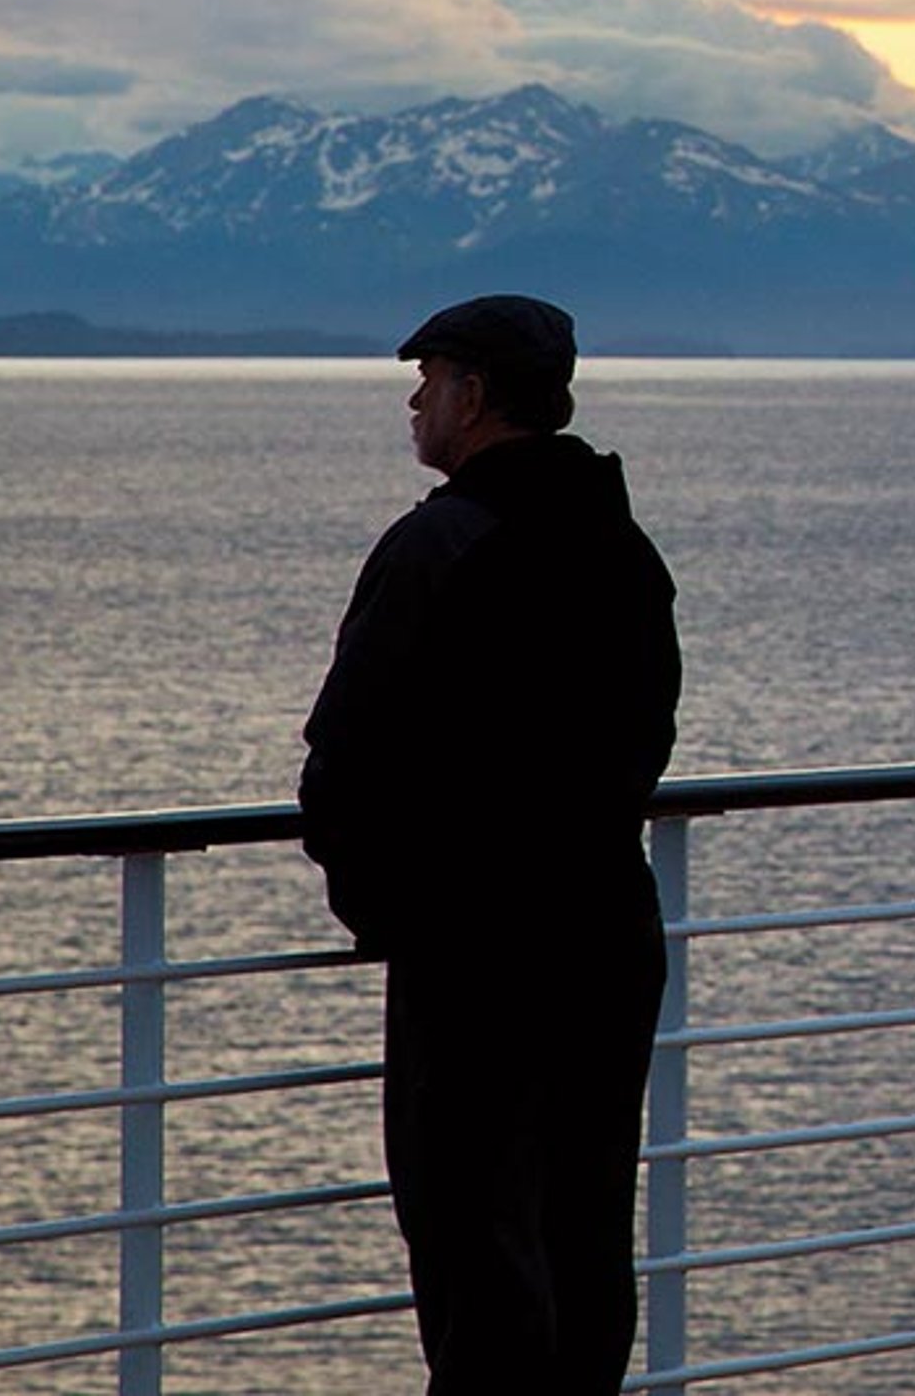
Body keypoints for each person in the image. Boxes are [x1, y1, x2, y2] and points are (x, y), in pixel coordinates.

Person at [298, 293, 680, 1395]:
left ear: (473, 396)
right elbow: (644, 735)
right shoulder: (620, 546)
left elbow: (346, 758)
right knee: (585, 1226)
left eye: (428, 378)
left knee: (476, 1241)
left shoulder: (441, 545)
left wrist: (390, 910)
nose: (415, 400)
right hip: (606, 931)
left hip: (475, 956)